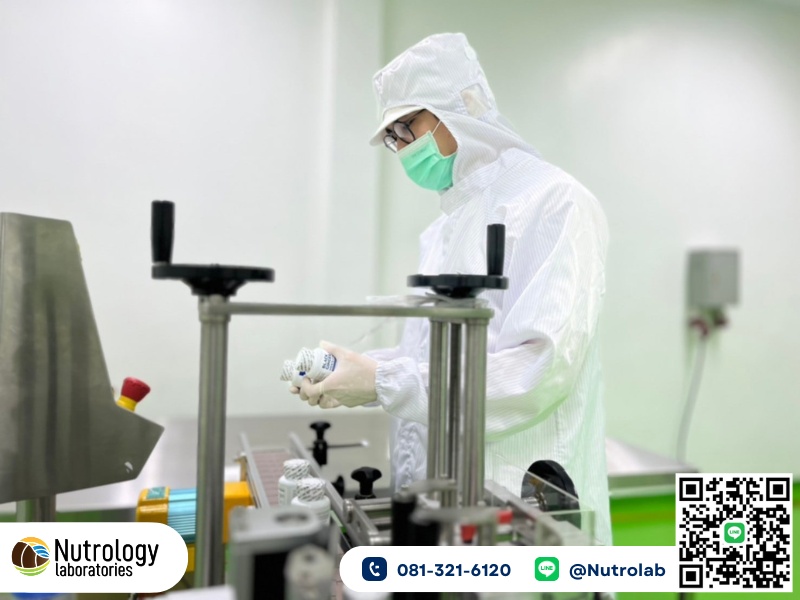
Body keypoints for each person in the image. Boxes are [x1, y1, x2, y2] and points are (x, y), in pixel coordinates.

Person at [293, 32, 612, 546]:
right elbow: (430, 359)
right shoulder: (443, 228)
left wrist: (383, 382)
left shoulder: (554, 202)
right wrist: (359, 369)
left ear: (460, 108)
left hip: (523, 500)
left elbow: (537, 371)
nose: (401, 148)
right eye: (392, 137)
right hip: (438, 504)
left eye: (406, 127)